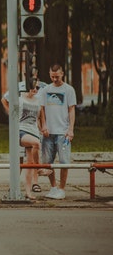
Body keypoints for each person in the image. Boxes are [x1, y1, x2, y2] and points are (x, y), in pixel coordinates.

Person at [1, 78, 43, 200]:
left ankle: (28, 192)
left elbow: (37, 118)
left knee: (29, 164)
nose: (35, 90)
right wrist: (11, 115)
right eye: (33, 87)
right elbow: (4, 100)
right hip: (21, 131)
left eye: (37, 88)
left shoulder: (38, 101)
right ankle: (39, 168)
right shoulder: (19, 99)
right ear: (27, 87)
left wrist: (42, 128)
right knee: (36, 144)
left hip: (33, 131)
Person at [39, 64, 77, 200]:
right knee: (48, 162)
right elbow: (41, 110)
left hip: (63, 132)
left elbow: (71, 110)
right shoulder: (45, 90)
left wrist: (71, 129)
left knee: (63, 161)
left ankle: (62, 189)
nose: (55, 79)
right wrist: (43, 126)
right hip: (48, 132)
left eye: (57, 76)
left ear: (62, 74)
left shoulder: (69, 90)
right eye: (52, 76)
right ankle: (53, 187)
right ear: (49, 74)